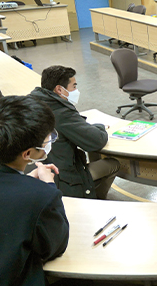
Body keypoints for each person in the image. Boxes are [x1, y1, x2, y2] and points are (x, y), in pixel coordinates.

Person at [0, 95, 93, 286]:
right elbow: (55, 246)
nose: (49, 142)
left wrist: (23, 183)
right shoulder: (39, 197)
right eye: (46, 140)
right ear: (28, 153)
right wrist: (47, 188)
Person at [29, 66, 120, 199]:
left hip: (38, 170)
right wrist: (100, 127)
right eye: (74, 86)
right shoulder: (61, 112)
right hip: (64, 178)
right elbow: (97, 140)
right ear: (59, 89)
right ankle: (96, 202)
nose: (76, 91)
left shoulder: (32, 102)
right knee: (112, 164)